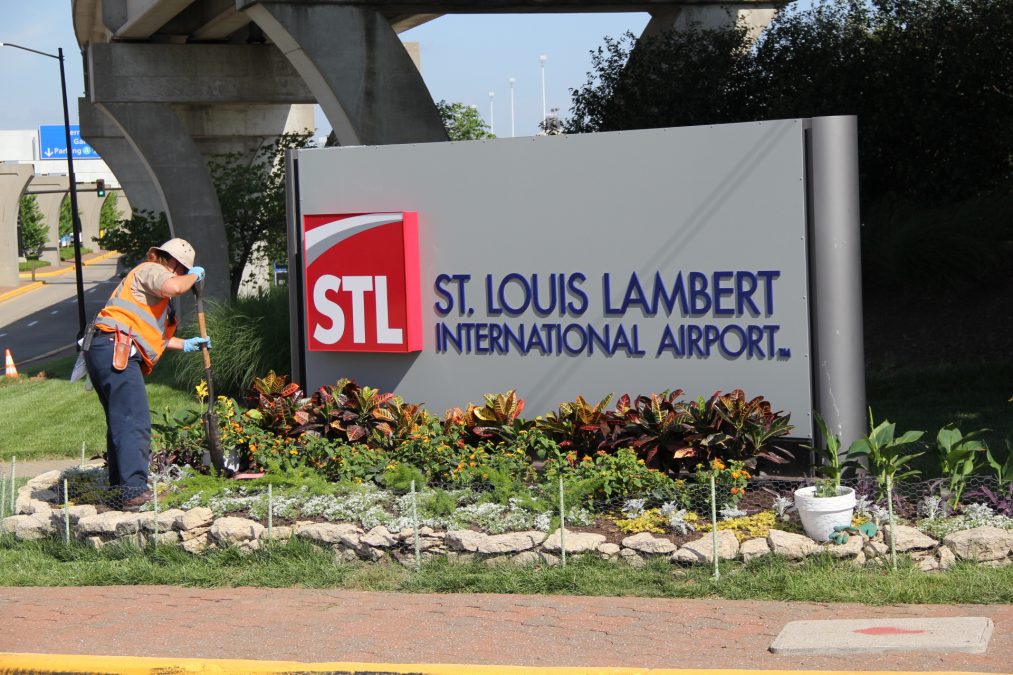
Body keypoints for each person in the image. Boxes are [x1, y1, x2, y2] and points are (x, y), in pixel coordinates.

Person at [85, 238, 211, 510]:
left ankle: (121, 489)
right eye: (183, 269)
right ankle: (133, 492)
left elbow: (157, 338)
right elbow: (175, 286)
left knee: (122, 419)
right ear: (174, 262)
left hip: (108, 347)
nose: (182, 274)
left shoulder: (155, 296)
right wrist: (192, 276)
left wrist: (187, 343)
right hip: (114, 347)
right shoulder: (152, 270)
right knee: (134, 420)